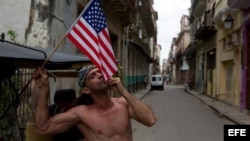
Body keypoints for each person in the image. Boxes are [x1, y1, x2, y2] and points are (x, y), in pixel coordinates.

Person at [32, 65, 156, 141]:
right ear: (86, 89)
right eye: (92, 76)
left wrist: (123, 91)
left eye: (99, 72)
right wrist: (44, 90)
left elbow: (150, 120)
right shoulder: (82, 113)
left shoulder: (123, 104)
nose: (99, 75)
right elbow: (43, 128)